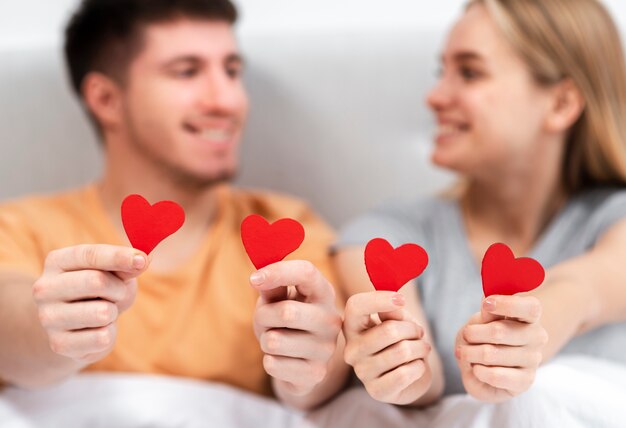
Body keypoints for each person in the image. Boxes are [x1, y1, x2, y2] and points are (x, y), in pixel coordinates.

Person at [0, 0, 349, 410]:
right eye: (187, 71)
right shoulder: (21, 226)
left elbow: (324, 376)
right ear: (107, 99)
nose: (228, 100)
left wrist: (306, 370)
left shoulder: (286, 226)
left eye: (232, 71)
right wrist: (54, 331)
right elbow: (9, 323)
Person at [335, 0, 626, 406]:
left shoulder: (615, 220)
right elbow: (422, 376)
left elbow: (585, 287)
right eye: (443, 72)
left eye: (469, 73)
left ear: (560, 104)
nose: (434, 97)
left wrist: (524, 337)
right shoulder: (389, 230)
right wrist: (403, 373)